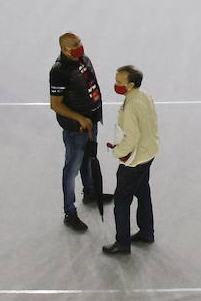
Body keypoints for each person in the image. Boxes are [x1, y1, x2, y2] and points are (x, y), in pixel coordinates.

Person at [50, 32, 110, 233]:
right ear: (64, 49)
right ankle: (70, 212)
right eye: (74, 45)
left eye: (80, 42)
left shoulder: (84, 60)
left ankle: (90, 192)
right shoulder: (58, 71)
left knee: (88, 158)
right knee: (71, 169)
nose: (80, 46)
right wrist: (79, 118)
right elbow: (55, 104)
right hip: (76, 128)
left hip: (91, 120)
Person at [102, 64, 160, 256]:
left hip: (134, 160)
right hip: (149, 152)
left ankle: (122, 243)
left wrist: (117, 152)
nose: (116, 85)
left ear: (131, 84)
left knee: (121, 200)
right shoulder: (144, 95)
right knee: (143, 191)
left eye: (120, 82)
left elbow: (131, 137)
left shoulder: (131, 106)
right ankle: (146, 232)